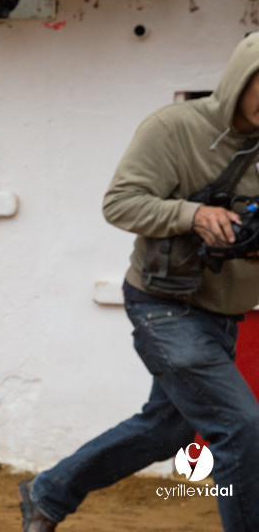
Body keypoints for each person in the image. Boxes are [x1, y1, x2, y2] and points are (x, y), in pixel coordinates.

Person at [19, 34, 259, 532]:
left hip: (221, 311)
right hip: (163, 305)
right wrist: (192, 215)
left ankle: (49, 492)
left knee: (165, 430)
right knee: (241, 427)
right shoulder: (173, 129)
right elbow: (120, 202)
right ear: (241, 79)